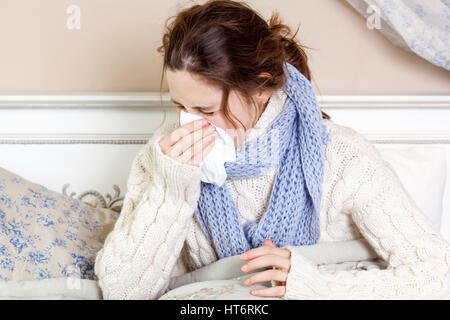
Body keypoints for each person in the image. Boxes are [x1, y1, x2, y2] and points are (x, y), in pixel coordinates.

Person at [94, 0, 450, 299]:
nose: (188, 123)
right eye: (178, 106)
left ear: (260, 89)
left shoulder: (341, 155)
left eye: (206, 111)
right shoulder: (166, 159)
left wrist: (314, 286)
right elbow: (122, 292)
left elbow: (437, 276)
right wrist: (171, 190)